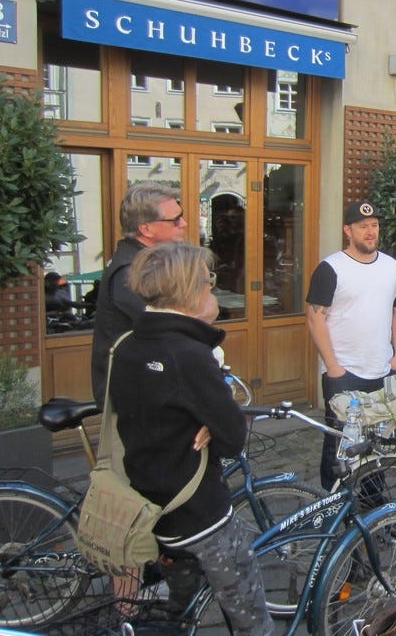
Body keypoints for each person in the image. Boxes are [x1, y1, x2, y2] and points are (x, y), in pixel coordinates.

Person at [109, 242, 274, 635]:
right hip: (200, 515)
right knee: (251, 619)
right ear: (189, 290)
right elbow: (233, 438)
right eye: (208, 281)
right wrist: (213, 424)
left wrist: (203, 422)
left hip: (152, 506)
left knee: (180, 612)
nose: (212, 287)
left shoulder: (127, 345)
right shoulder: (189, 354)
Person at [306, 200, 396, 490]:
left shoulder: (390, 266)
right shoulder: (331, 268)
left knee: (379, 441)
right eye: (363, 226)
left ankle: (373, 502)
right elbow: (315, 319)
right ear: (348, 231)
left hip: (383, 369)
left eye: (374, 225)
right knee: (339, 444)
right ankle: (333, 501)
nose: (370, 231)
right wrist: (334, 367)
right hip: (344, 372)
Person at [91, 182, 188, 405]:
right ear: (146, 229)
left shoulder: (144, 262)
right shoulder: (130, 270)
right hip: (133, 396)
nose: (184, 223)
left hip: (147, 385)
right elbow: (166, 325)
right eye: (175, 219)